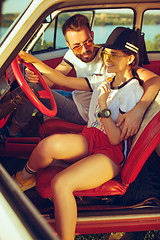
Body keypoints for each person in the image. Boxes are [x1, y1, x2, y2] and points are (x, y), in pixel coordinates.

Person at [14, 27, 144, 240]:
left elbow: (114, 138)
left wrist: (103, 105)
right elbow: (61, 80)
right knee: (48, 145)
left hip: (110, 153)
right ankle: (23, 178)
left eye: (114, 55)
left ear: (130, 58)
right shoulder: (103, 79)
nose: (108, 59)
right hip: (90, 137)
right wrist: (32, 63)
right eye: (106, 53)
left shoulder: (134, 92)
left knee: (61, 183)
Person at [0, 14, 159, 140]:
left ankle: (12, 132)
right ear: (69, 45)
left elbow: (155, 80)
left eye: (88, 42)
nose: (84, 50)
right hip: (74, 98)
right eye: (76, 46)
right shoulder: (72, 55)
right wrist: (36, 77)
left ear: (92, 35)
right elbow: (54, 77)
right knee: (32, 87)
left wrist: (139, 109)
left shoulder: (110, 58)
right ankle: (21, 127)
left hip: (85, 112)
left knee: (33, 90)